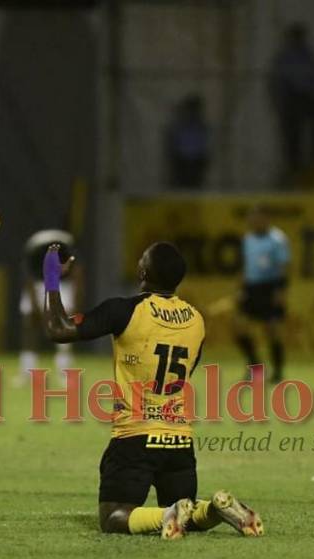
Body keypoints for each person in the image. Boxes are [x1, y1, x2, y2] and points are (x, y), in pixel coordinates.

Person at [42, 242, 264, 539]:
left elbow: (58, 329)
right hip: (179, 441)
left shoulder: (125, 310)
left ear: (143, 272)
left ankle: (167, 515)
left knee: (113, 516)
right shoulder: (196, 319)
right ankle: (213, 509)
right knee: (186, 511)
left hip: (135, 437)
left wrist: (51, 276)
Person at [234, 205, 291, 383]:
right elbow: (245, 266)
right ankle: (255, 367)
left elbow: (284, 267)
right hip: (251, 288)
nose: (254, 221)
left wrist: (281, 291)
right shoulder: (247, 239)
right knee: (239, 328)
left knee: (271, 330)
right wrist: (240, 289)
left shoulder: (278, 239)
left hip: (270, 287)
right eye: (252, 218)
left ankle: (278, 371)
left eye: (257, 218)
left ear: (266, 218)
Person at [268, 22, 314, 179]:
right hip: (290, 98)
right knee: (292, 134)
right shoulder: (285, 57)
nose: (299, 40)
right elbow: (277, 81)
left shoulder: (307, 55)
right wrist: (280, 101)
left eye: (300, 37)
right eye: (296, 37)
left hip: (305, 96)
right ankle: (295, 168)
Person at [18, 229, 82, 383]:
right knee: (30, 325)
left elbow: (78, 274)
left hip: (62, 285)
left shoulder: (68, 248)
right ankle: (27, 370)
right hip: (38, 283)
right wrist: (36, 307)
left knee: (64, 327)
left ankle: (65, 372)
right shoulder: (34, 250)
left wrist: (76, 301)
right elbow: (29, 279)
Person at [165, 94, 210, 189]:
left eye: (194, 110)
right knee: (182, 185)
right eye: (190, 109)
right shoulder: (180, 125)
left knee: (195, 185)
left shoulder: (201, 126)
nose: (192, 113)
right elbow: (175, 143)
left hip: (196, 161)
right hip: (182, 161)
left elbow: (204, 144)